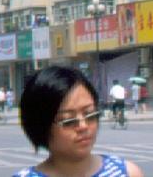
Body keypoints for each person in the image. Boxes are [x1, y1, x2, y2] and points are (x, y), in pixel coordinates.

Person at [13, 66, 143, 177]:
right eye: (68, 120)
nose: (83, 126)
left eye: (90, 114)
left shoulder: (126, 173)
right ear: (41, 125)